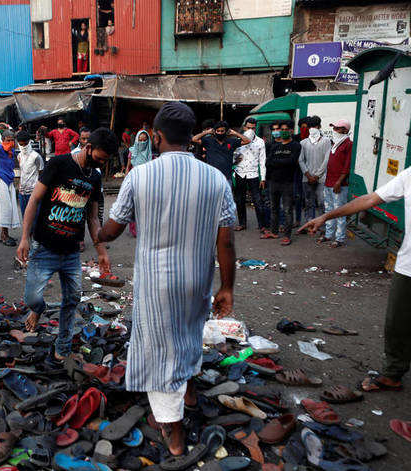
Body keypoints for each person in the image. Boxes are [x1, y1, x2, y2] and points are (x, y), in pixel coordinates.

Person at [98, 102, 237, 456]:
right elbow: (226, 240)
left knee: (160, 352)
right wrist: (227, 287)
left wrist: (96, 232)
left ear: (157, 137)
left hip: (157, 285)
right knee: (188, 334)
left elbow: (113, 230)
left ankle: (173, 433)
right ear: (191, 138)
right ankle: (189, 390)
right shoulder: (216, 179)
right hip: (197, 280)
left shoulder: (140, 176)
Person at [299, 165, 411, 392]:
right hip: (408, 266)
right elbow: (369, 200)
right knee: (397, 324)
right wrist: (326, 216)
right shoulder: (410, 175)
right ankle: (392, 374)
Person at [16, 128, 118, 364]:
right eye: (100, 157)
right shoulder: (59, 164)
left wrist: (101, 251)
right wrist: (24, 238)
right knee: (32, 299)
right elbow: (34, 200)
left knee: (71, 301)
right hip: (44, 249)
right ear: (88, 147)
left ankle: (61, 348)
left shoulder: (94, 176)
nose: (101, 163)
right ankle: (37, 310)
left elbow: (93, 218)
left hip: (72, 252)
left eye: (105, 160)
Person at [262, 121, 302, 245]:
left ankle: (287, 235)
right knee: (274, 208)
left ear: (291, 131)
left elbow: (292, 161)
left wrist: (276, 162)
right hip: (273, 182)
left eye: (286, 129)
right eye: (282, 129)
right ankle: (274, 232)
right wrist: (280, 162)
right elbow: (267, 163)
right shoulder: (275, 146)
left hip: (287, 183)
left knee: (287, 210)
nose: (283, 131)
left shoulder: (295, 146)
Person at [320, 119, 353, 248]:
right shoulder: (335, 143)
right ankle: (329, 234)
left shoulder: (348, 144)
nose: (334, 130)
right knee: (328, 210)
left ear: (345, 130)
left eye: (337, 128)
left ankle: (339, 238)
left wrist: (339, 181)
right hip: (329, 182)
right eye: (334, 128)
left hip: (339, 184)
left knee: (339, 211)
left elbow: (347, 165)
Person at [233, 117, 268, 231]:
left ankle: (262, 225)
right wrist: (236, 159)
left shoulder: (260, 141)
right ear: (244, 127)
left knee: (257, 200)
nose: (251, 130)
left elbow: (262, 161)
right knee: (240, 199)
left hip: (253, 174)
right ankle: (242, 223)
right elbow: (232, 156)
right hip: (240, 173)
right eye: (249, 128)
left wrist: (263, 178)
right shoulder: (237, 140)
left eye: (253, 128)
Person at [298, 116, 330, 225]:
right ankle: (310, 223)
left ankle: (321, 225)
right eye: (310, 126)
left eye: (315, 126)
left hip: (321, 178)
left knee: (322, 202)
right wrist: (308, 175)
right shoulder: (303, 143)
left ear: (319, 126)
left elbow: (327, 160)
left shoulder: (326, 141)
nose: (312, 128)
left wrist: (316, 176)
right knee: (308, 202)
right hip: (306, 178)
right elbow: (301, 160)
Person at [16, 130, 44, 220]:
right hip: (22, 191)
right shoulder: (19, 156)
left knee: (35, 217)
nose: (23, 146)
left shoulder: (36, 156)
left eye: (25, 144)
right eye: (21, 145)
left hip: (34, 192)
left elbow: (41, 174)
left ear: (29, 142)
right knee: (25, 217)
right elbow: (22, 172)